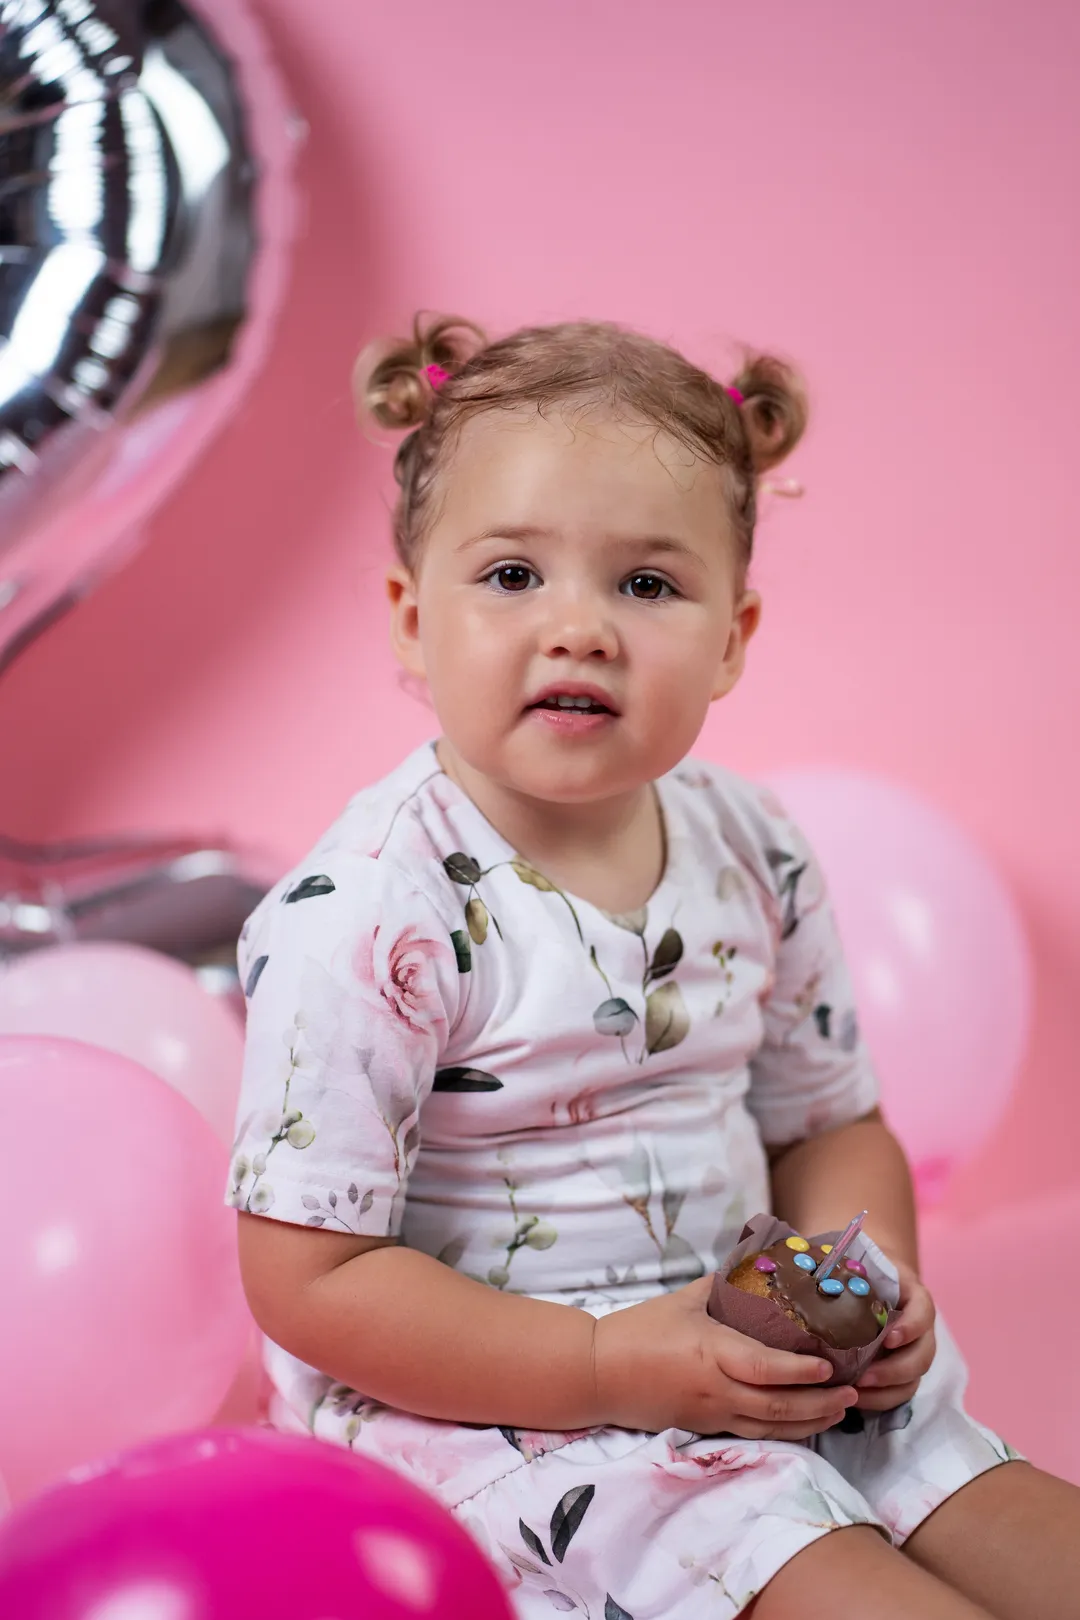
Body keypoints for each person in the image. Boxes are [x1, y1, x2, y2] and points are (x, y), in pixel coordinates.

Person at [230, 315, 1080, 1620]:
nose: (580, 630)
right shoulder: (370, 913)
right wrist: (603, 1363)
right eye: (514, 576)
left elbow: (831, 1124)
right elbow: (311, 1283)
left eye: (646, 585)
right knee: (842, 1581)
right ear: (411, 618)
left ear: (733, 637)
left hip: (752, 1350)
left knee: (1021, 1530)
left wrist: (870, 1280)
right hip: (515, 1417)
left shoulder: (753, 845)